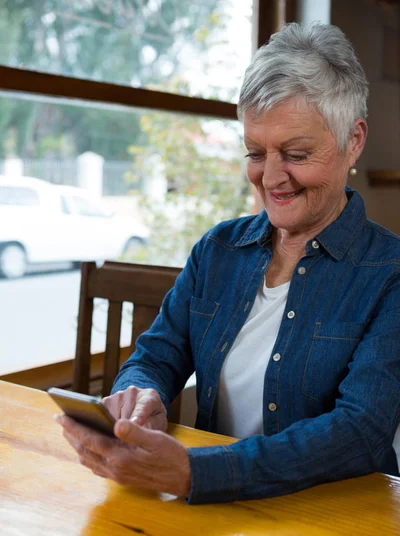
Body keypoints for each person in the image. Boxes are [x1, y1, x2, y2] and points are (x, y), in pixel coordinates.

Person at [57, 22, 400, 504]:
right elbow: (154, 357)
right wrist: (144, 396)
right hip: (219, 518)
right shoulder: (218, 250)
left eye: (297, 153)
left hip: (336, 524)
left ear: (354, 141)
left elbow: (361, 432)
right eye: (256, 152)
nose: (272, 177)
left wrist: (197, 473)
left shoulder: (390, 272)